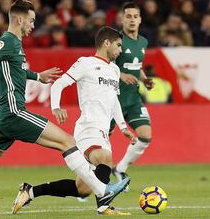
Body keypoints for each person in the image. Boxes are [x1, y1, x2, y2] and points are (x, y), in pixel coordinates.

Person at [0, 0, 130, 216]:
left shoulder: (15, 45)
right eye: (31, 20)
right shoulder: (7, 41)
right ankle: (102, 190)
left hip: (1, 116)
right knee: (67, 142)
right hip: (12, 111)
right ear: (20, 19)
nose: (33, 26)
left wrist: (37, 76)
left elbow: (16, 70)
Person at [12, 26, 135, 215]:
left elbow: (114, 100)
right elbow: (59, 84)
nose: (120, 50)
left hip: (102, 129)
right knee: (104, 158)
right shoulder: (85, 63)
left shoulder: (115, 70)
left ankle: (30, 191)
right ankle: (103, 205)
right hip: (88, 126)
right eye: (118, 45)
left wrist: (123, 126)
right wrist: (56, 107)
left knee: (82, 188)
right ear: (106, 43)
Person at [110, 2, 154, 191]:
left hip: (133, 99)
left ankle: (120, 169)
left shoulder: (143, 42)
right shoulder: (116, 40)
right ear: (122, 19)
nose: (132, 20)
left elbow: (136, 65)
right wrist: (119, 75)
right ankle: (88, 183)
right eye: (128, 16)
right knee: (102, 142)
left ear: (140, 19)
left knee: (145, 135)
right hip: (113, 99)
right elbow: (103, 63)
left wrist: (144, 79)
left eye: (135, 16)